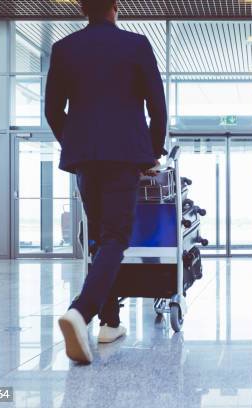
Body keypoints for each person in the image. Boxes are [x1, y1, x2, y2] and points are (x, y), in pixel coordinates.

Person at [45, 0, 167, 364]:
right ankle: (82, 312)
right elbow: (157, 107)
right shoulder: (137, 45)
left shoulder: (64, 48)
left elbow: (53, 110)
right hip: (125, 155)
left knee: (100, 238)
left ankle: (110, 322)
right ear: (116, 7)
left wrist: (76, 143)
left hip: (85, 158)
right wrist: (152, 152)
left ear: (83, 8)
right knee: (116, 238)